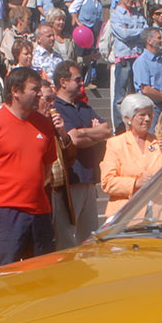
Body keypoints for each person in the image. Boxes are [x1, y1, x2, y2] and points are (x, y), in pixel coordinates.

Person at [0, 66, 60, 264]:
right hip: (4, 214)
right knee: (4, 276)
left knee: (44, 276)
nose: (39, 95)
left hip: (39, 212)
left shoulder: (44, 124)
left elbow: (47, 168)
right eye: (34, 89)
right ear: (15, 91)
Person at [48, 60, 109, 248]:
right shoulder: (56, 108)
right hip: (69, 182)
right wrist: (93, 134)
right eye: (77, 79)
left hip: (89, 179)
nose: (82, 83)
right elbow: (72, 140)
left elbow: (107, 130)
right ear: (63, 82)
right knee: (66, 239)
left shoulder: (84, 107)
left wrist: (83, 133)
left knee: (89, 238)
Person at [101, 93, 162, 217]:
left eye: (150, 115)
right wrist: (135, 183)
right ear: (128, 118)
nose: (147, 119)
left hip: (161, 216)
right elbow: (107, 182)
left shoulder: (161, 143)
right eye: (142, 115)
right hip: (127, 217)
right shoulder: (115, 144)